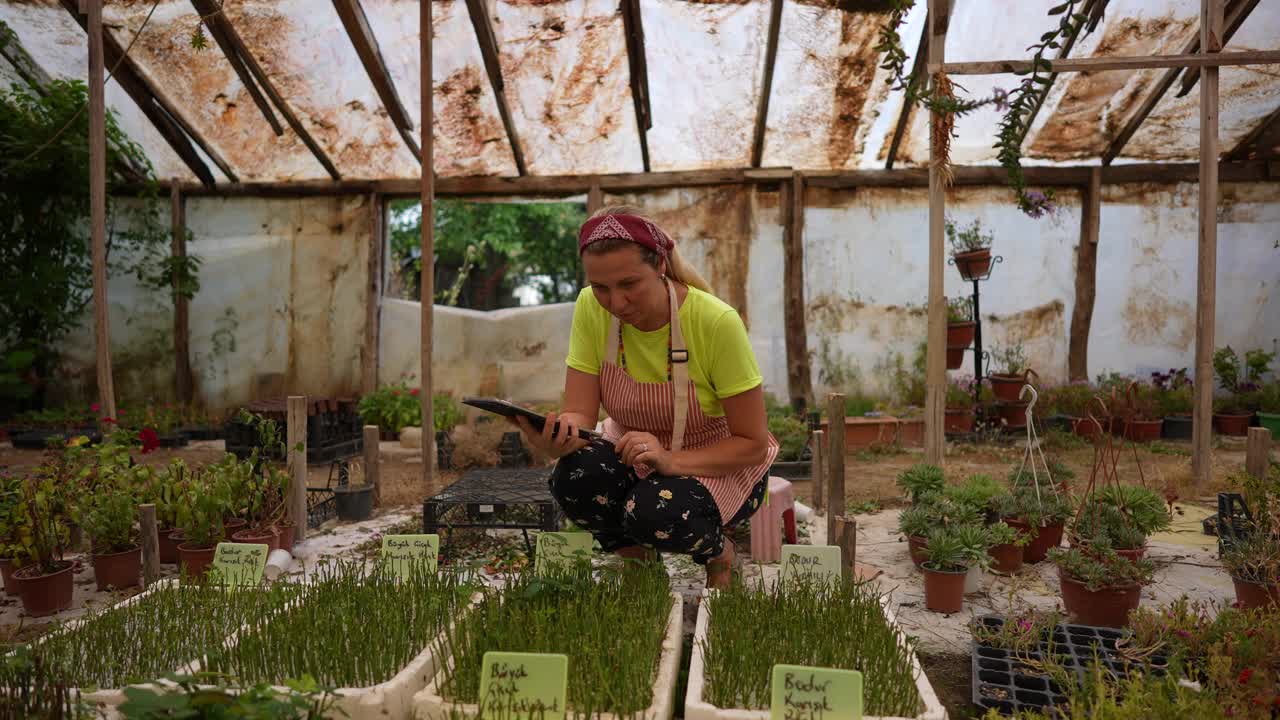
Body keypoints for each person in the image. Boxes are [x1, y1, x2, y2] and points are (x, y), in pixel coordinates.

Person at [510, 206, 778, 589]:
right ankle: (640, 566)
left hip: (719, 461)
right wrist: (560, 437)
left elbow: (752, 445)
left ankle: (720, 556)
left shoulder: (715, 322)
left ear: (661, 267)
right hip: (631, 450)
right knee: (573, 477)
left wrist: (670, 460)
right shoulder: (591, 307)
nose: (616, 303)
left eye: (629, 284)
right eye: (601, 288)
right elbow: (581, 413)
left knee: (654, 510)